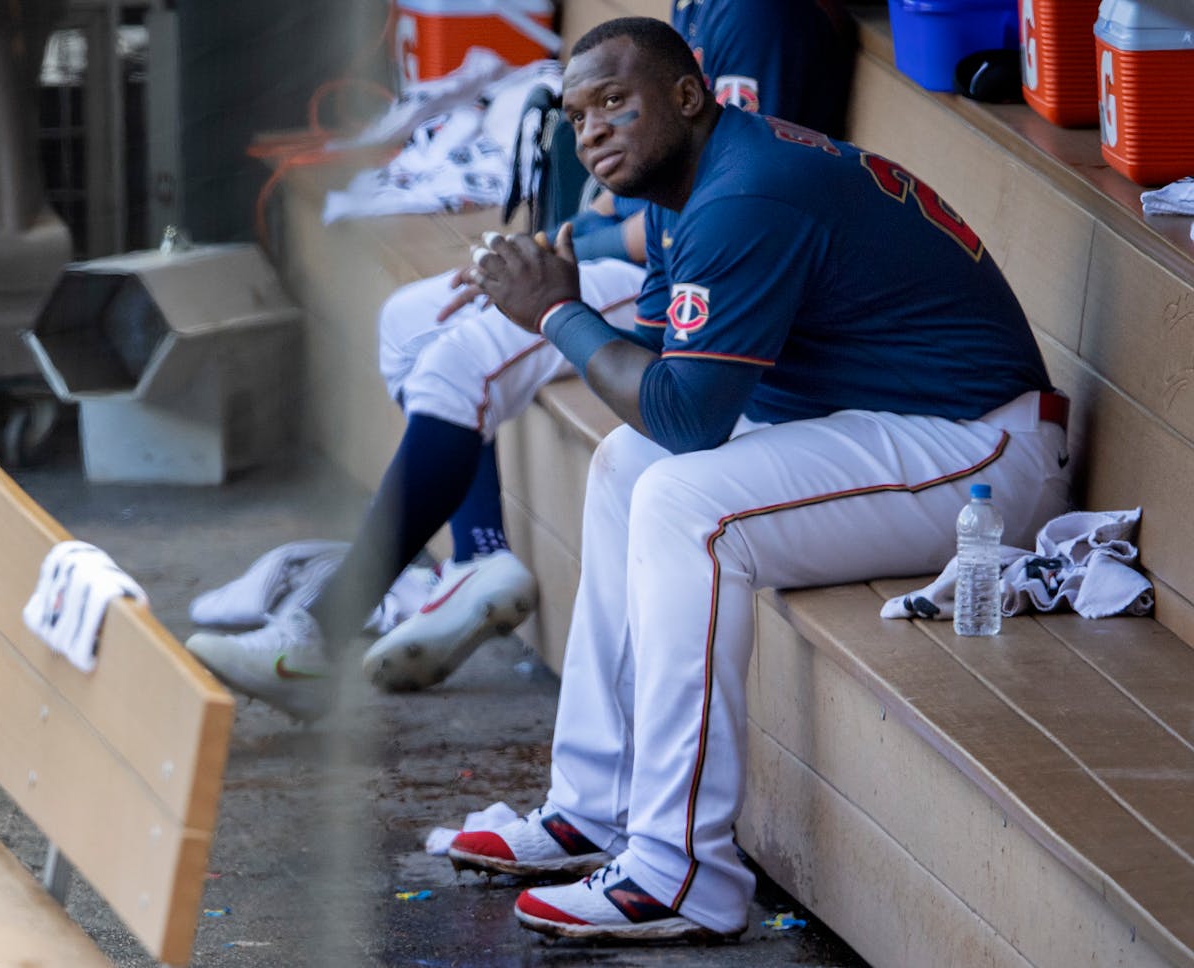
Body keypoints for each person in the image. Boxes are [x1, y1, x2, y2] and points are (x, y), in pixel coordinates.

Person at [440, 16, 1070, 943]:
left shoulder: (746, 195)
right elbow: (663, 367)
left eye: (616, 101)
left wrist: (557, 314)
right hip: (892, 428)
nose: (594, 132)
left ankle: (679, 871)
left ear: (690, 94)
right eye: (577, 116)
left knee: (684, 501)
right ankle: (593, 807)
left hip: (982, 452)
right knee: (628, 466)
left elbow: (690, 417)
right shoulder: (685, 182)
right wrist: (564, 297)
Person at [184, 1, 857, 720]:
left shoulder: (759, 14)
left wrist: (556, 262)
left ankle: (318, 633)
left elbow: (730, 198)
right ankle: (476, 558)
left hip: (714, 275)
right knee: (411, 319)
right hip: (658, 250)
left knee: (461, 353)